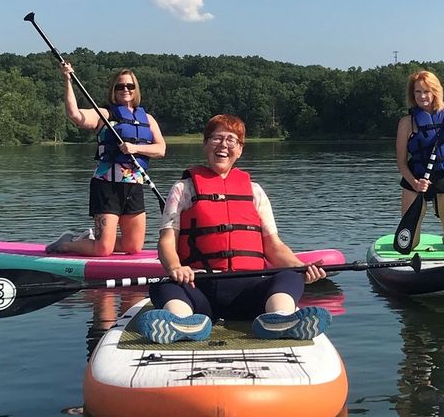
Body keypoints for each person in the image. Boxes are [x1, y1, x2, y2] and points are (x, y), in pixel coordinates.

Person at [132, 114, 329, 344]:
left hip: (249, 290)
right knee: (165, 286)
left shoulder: (255, 192)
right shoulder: (182, 189)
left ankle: (280, 319)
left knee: (290, 276)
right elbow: (167, 240)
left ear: (240, 149)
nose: (223, 145)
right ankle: (182, 322)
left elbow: (274, 246)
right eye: (216, 138)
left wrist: (301, 268)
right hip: (199, 287)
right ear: (205, 144)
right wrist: (176, 267)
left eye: (231, 140)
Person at [51, 63, 167, 255]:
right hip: (107, 186)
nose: (125, 90)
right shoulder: (105, 114)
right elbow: (76, 115)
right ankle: (66, 243)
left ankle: (89, 239)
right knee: (103, 249)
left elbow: (161, 149)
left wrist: (135, 148)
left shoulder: (147, 118)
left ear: (135, 89)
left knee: (133, 247)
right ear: (113, 90)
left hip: (134, 185)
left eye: (130, 86)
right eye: (120, 86)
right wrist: (68, 80)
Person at [396, 68, 444, 251]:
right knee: (409, 244)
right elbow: (401, 163)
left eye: (426, 91)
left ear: (435, 91)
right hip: (416, 178)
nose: (422, 96)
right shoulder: (407, 122)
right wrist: (414, 183)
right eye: (417, 92)